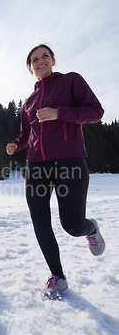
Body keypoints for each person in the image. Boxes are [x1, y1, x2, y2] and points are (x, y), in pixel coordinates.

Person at [6, 44, 105, 300]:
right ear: (30, 68)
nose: (41, 61)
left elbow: (96, 111)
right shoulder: (28, 102)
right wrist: (17, 144)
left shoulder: (71, 81)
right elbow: (27, 134)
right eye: (35, 59)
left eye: (45, 56)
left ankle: (90, 229)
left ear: (52, 60)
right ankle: (58, 277)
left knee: (72, 225)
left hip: (69, 161)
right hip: (35, 166)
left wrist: (58, 113)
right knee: (40, 221)